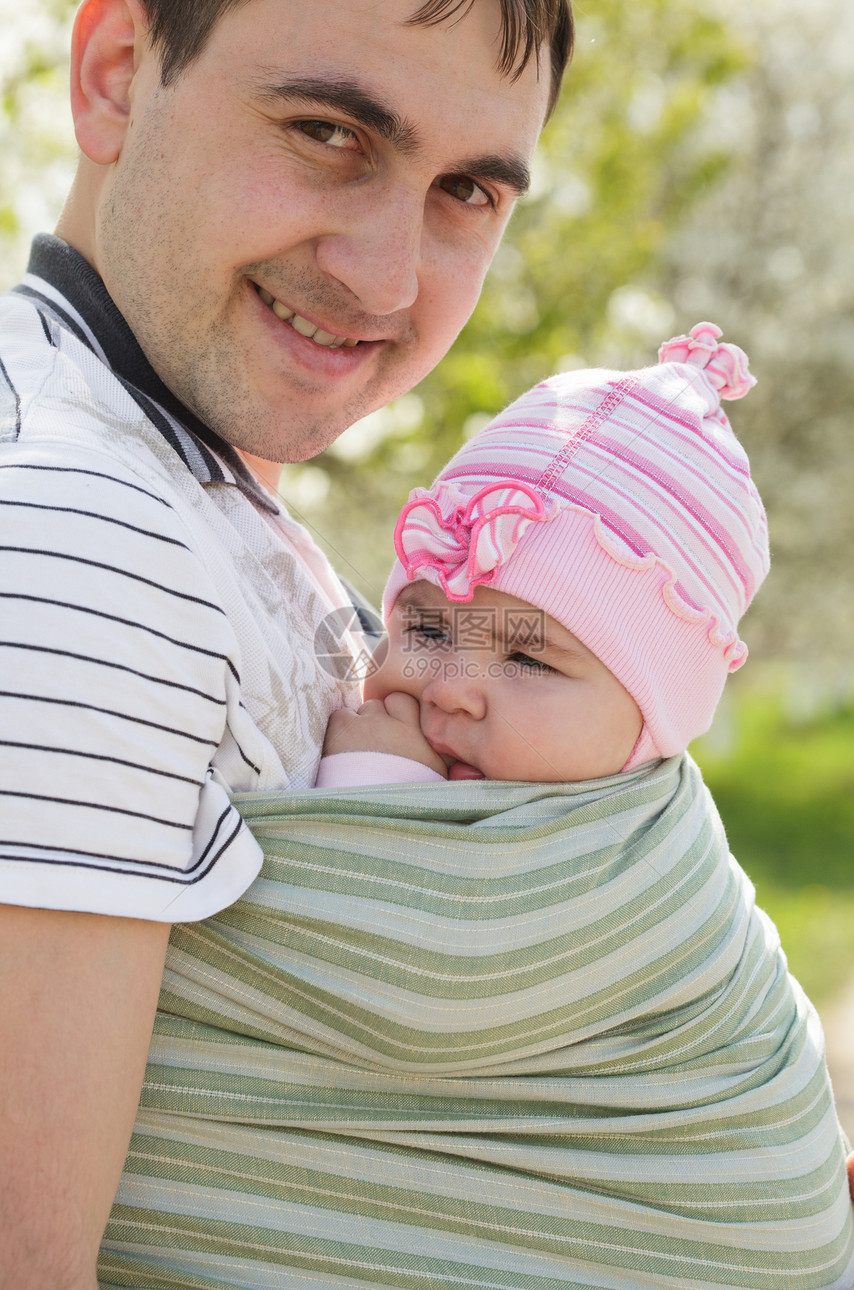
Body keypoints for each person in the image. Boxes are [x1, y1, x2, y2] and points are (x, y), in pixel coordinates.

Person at [0, 0, 573, 1284]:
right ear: (112, 78)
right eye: (326, 132)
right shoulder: (82, 524)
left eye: (468, 189)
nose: (386, 278)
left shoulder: (175, 483)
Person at [210, 324, 854, 1286]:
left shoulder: (624, 853)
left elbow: (416, 981)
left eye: (525, 657)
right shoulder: (527, 771)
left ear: (650, 720)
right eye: (425, 625)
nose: (451, 687)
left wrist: (375, 794)